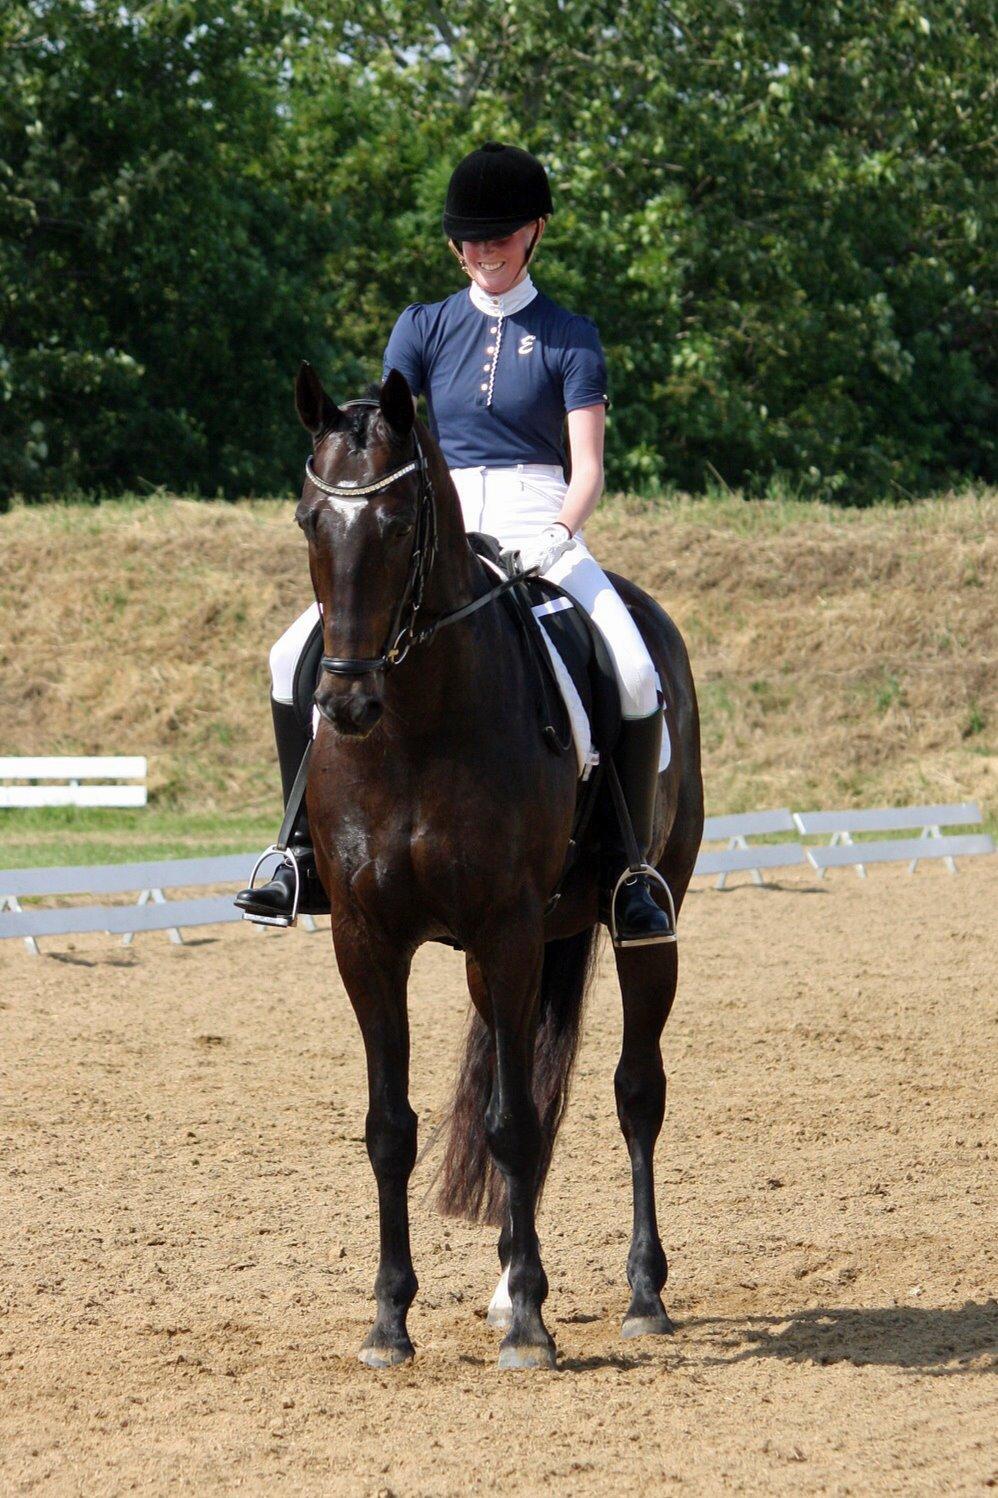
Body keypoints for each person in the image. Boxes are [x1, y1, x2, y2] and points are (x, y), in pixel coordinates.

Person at [236, 142, 671, 945]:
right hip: (433, 520)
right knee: (286, 654)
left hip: (542, 518)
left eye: (498, 238)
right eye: (469, 242)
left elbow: (590, 469)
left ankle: (626, 867)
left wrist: (559, 535)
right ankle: (299, 850)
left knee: (637, 669)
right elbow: (380, 432)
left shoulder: (570, 336)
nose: (482, 254)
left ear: (534, 232)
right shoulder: (424, 325)